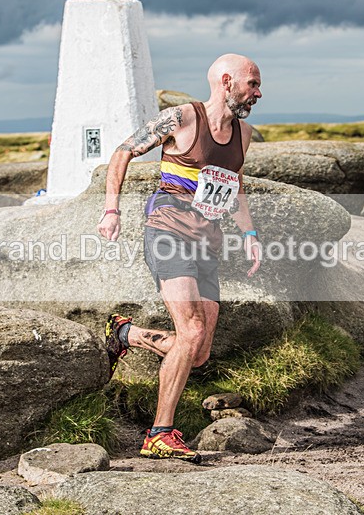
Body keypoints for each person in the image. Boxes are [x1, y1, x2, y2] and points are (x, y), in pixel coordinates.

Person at [97, 53, 263, 463]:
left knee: (199, 350)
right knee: (189, 333)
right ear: (227, 82)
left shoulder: (244, 135)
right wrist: (111, 208)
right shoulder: (183, 119)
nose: (258, 93)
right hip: (168, 233)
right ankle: (160, 433)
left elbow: (234, 185)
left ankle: (127, 335)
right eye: (252, 84)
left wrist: (250, 234)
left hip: (208, 243)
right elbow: (122, 152)